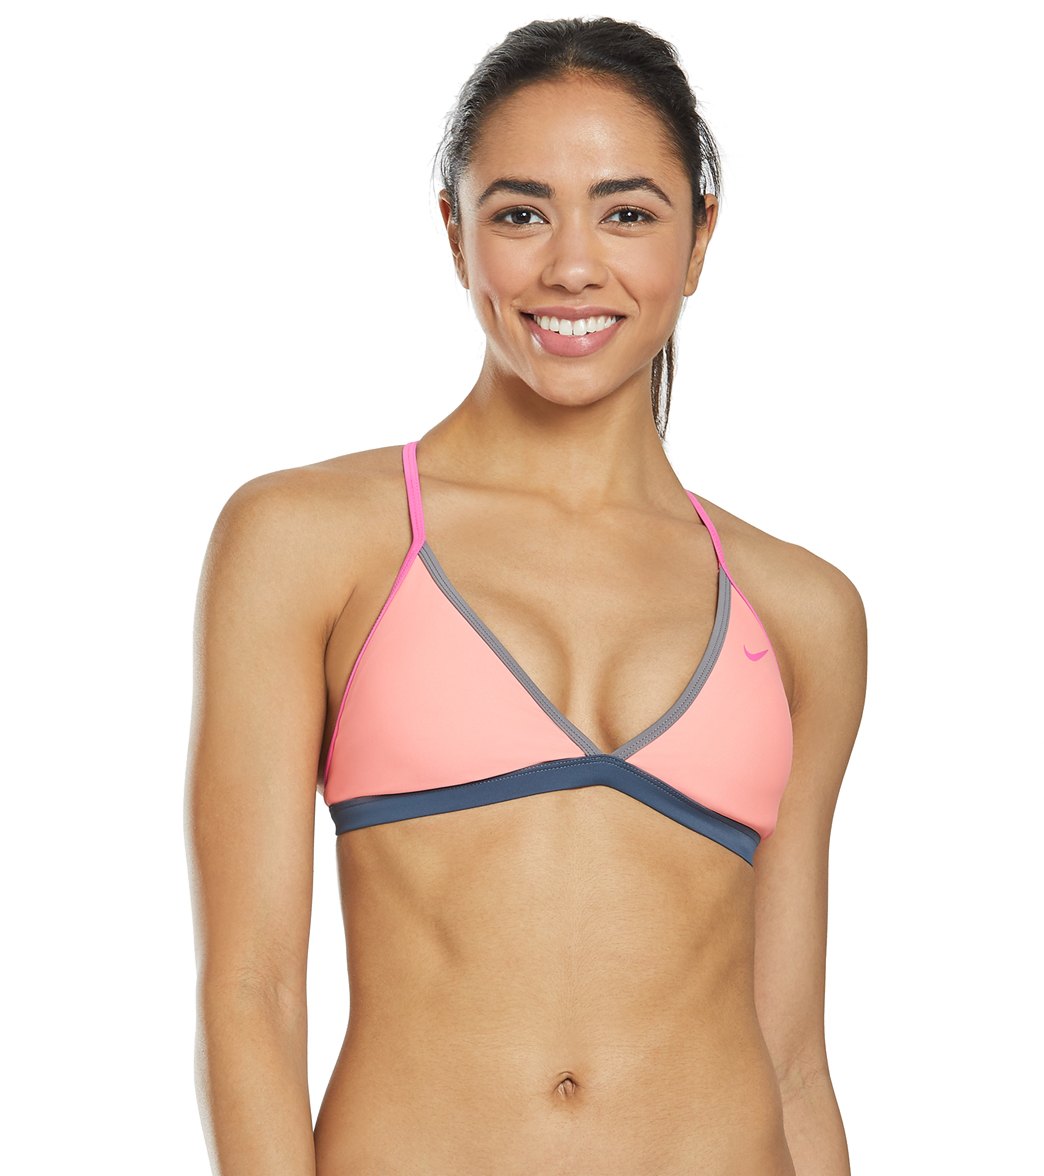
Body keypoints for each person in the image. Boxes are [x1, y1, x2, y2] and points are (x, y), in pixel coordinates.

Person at [185, 16, 867, 1176]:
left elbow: (794, 1054)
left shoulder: (803, 610)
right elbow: (253, 994)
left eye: (628, 213)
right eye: (520, 214)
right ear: (456, 234)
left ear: (701, 237)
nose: (573, 267)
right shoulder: (309, 541)